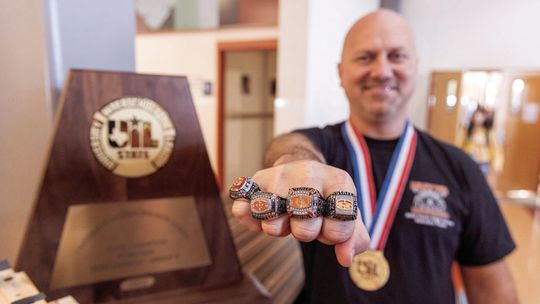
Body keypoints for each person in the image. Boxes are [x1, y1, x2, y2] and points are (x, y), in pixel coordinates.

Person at [231, 9, 517, 304]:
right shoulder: (321, 147)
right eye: (365, 57)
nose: (381, 71)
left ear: (415, 67)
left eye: (396, 56)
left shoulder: (459, 167)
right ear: (341, 73)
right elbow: (291, 145)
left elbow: (488, 284)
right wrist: (294, 162)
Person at [462, 106, 497, 176]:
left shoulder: (488, 132)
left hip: (483, 161)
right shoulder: (468, 130)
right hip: (469, 159)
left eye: (480, 116)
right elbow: (462, 144)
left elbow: (494, 148)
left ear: (484, 118)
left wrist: (495, 163)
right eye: (476, 115)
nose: (477, 118)